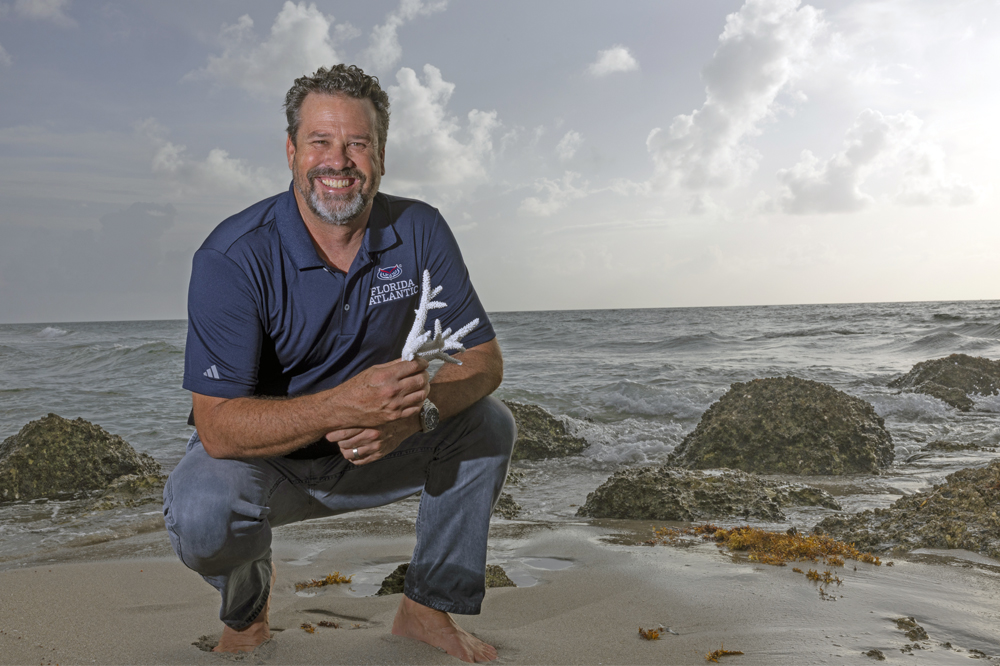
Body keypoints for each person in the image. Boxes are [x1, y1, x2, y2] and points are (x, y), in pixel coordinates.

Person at [162, 64, 515, 664]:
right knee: (202, 511)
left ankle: (426, 610)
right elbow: (218, 428)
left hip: (377, 450)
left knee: (488, 425)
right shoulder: (232, 255)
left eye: (357, 143)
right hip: (262, 465)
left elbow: (483, 361)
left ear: (381, 156)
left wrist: (412, 416)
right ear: (292, 152)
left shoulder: (419, 228)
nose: (338, 161)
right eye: (320, 141)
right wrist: (343, 405)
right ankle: (246, 613)